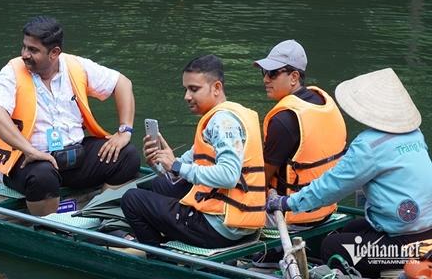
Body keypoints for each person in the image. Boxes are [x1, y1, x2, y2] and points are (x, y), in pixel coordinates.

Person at [267, 68, 432, 278]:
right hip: (423, 229)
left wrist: (287, 203)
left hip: (404, 243)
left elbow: (331, 187)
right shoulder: (414, 134)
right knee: (348, 228)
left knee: (331, 246)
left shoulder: (369, 145)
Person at [0, 16, 140, 216]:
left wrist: (125, 130)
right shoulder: (11, 72)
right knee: (43, 176)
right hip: (25, 160)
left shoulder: (76, 66)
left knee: (127, 155)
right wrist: (30, 151)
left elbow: (123, 83)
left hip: (73, 156)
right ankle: (49, 227)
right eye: (24, 47)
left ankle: (98, 212)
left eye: (33, 50)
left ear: (54, 53)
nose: (24, 54)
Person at [121, 55, 266, 248]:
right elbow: (180, 170)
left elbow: (229, 176)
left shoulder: (222, 123)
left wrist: (176, 165)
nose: (187, 96)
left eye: (194, 89)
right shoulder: (229, 115)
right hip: (238, 222)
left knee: (131, 200)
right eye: (186, 89)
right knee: (159, 185)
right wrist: (158, 162)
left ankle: (159, 256)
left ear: (216, 88)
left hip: (219, 228)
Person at [254, 40, 347, 226]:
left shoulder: (283, 120)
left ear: (294, 77)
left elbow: (260, 180)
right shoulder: (323, 103)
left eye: (273, 73)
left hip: (288, 215)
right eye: (264, 72)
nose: (265, 79)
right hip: (326, 209)